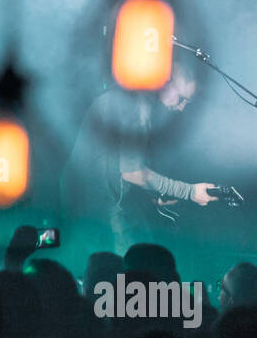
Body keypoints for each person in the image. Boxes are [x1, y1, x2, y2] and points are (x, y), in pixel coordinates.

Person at [66, 56, 219, 254]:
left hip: (88, 197)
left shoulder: (130, 100)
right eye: (181, 99)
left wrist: (156, 195)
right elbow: (132, 173)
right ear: (164, 83)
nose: (181, 107)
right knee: (134, 264)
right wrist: (189, 192)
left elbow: (118, 167)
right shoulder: (136, 109)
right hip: (95, 205)